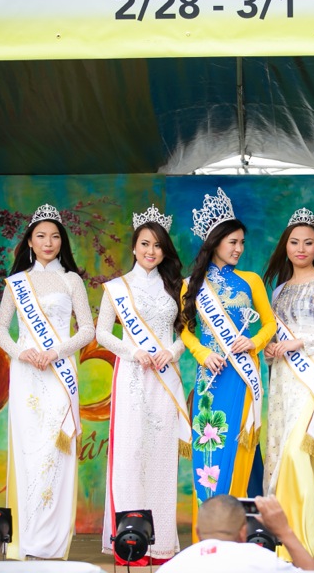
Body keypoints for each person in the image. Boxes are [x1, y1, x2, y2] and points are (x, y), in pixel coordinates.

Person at [0, 203, 95, 560]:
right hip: (26, 376)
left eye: (54, 236)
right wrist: (23, 354)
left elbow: (87, 330)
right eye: (41, 236)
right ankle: (29, 538)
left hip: (58, 375)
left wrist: (54, 352)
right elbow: (0, 329)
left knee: (55, 450)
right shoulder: (17, 283)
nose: (48, 242)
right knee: (28, 450)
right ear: (30, 243)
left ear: (61, 241)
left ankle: (52, 543)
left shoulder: (72, 280)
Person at [96, 205, 187, 566]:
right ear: (134, 247)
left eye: (158, 246)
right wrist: (134, 353)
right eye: (145, 244)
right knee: (130, 457)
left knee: (162, 459)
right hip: (132, 377)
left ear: (165, 251)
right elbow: (103, 332)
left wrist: (172, 351)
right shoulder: (116, 288)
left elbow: (186, 332)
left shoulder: (174, 287)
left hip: (164, 379)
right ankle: (129, 543)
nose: (151, 251)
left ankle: (161, 544)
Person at [181, 188, 277, 522]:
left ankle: (240, 531)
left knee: (239, 450)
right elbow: (183, 328)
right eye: (232, 242)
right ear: (215, 242)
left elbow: (270, 325)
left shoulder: (251, 281)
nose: (238, 248)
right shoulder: (191, 284)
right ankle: (207, 534)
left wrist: (253, 344)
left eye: (241, 243)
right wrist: (202, 352)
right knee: (208, 452)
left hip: (242, 377)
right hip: (209, 379)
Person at [262, 208, 314, 565]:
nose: (300, 248)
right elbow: (273, 339)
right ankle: (282, 545)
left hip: (312, 377)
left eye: (308, 243)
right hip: (283, 380)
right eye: (294, 242)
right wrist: (270, 350)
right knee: (282, 456)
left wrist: (300, 343)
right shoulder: (278, 290)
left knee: (299, 454)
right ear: (286, 246)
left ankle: (303, 544)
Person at [158, 495, 314, 572]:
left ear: (198, 532)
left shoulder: (172, 567)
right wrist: (284, 532)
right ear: (243, 532)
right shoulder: (263, 560)